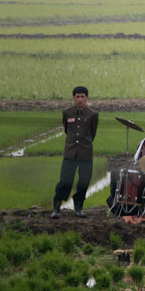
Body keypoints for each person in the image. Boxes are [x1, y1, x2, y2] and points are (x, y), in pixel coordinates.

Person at [51, 86, 98, 219]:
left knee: (83, 182)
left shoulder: (93, 114)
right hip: (70, 153)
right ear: (73, 98)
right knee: (65, 182)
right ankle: (56, 209)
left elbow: (92, 133)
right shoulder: (67, 112)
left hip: (86, 153)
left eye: (82, 97)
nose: (80, 99)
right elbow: (67, 130)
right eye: (77, 97)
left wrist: (84, 144)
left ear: (86, 98)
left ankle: (78, 209)